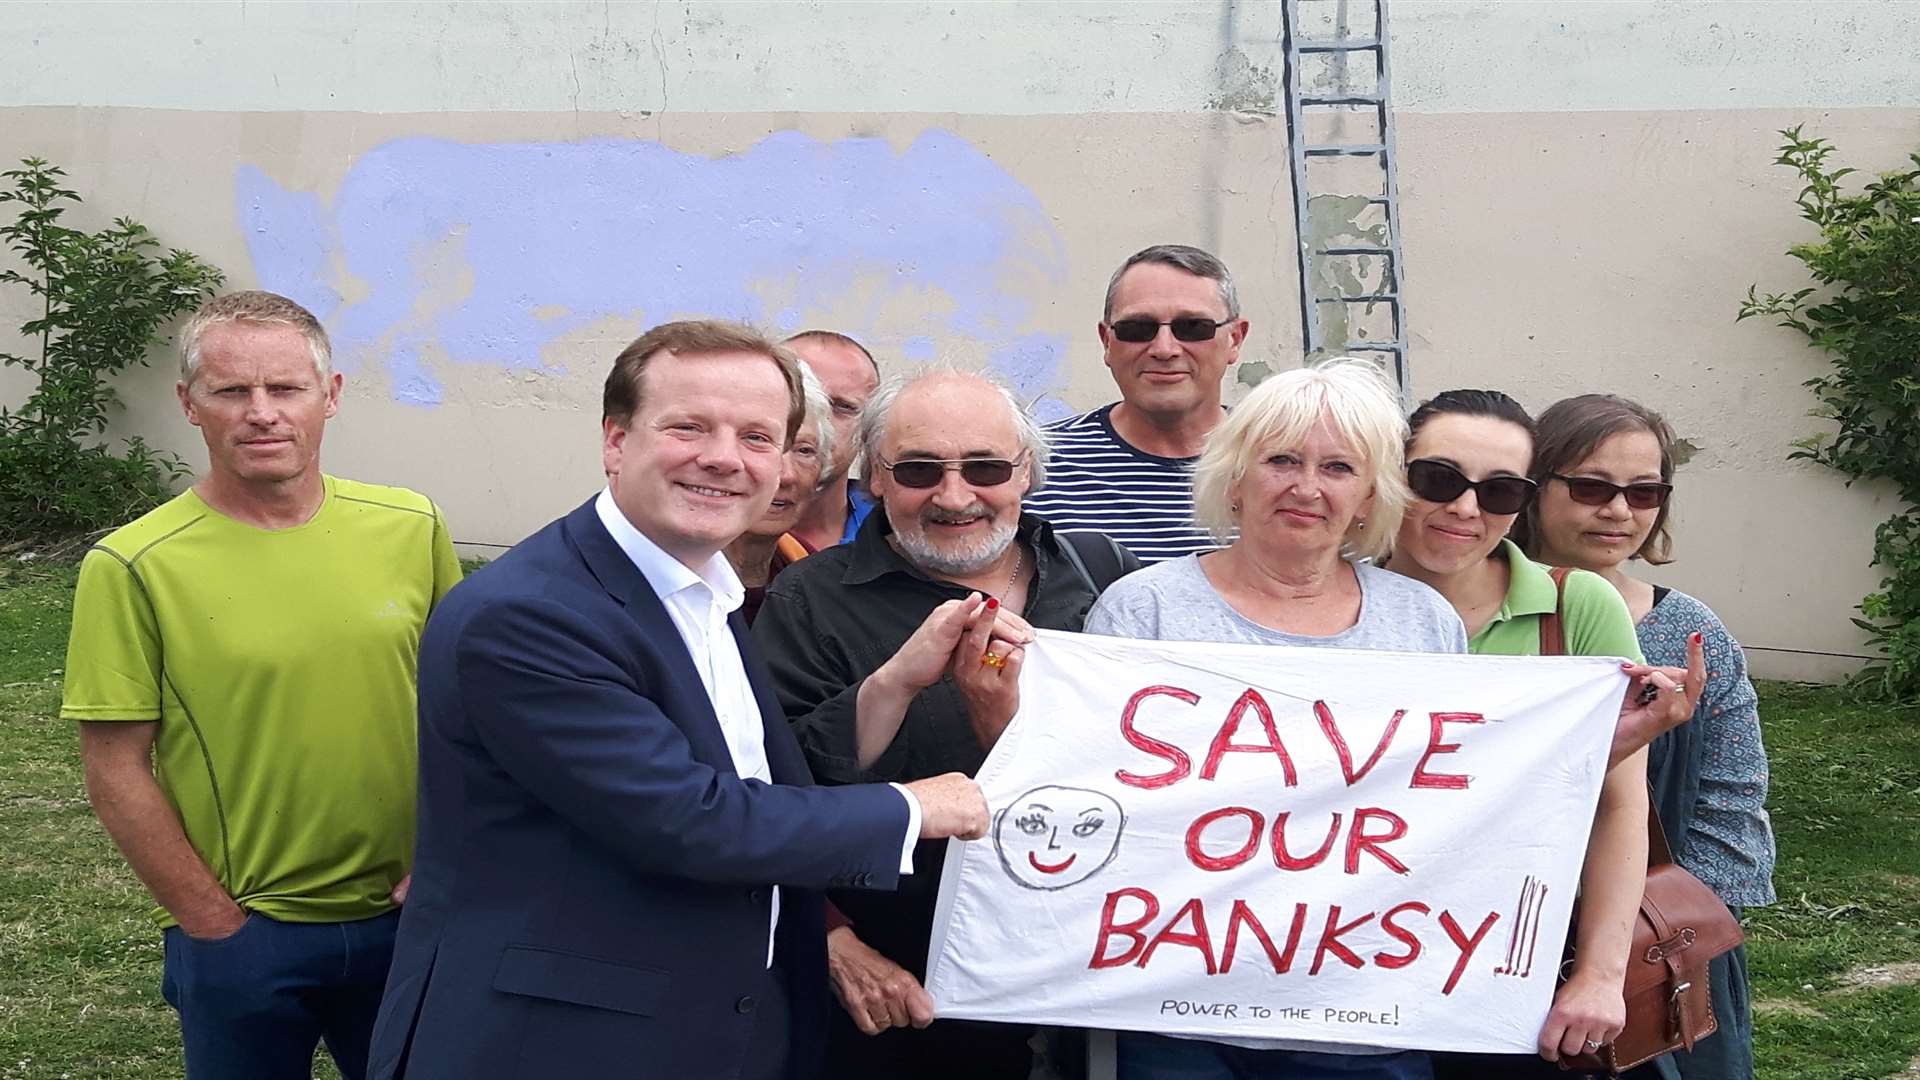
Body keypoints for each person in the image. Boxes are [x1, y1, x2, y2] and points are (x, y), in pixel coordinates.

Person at [366, 321, 989, 1080]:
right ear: (616, 440)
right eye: (689, 427)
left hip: (713, 1024)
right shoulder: (529, 615)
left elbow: (766, 778)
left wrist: (895, 680)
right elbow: (694, 821)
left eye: (758, 436)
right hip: (559, 1043)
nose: (725, 458)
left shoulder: (699, 590)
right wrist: (917, 807)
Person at [60, 290, 462, 1080]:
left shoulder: (410, 526)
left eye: (285, 389)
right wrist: (209, 920)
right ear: (190, 405)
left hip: (407, 914)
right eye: (231, 391)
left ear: (331, 396)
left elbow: (470, 709)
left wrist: (452, 859)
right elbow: (114, 766)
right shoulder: (133, 564)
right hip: (248, 934)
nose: (262, 413)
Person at [754, 368, 1142, 1080]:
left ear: (1027, 473)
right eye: (920, 470)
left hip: (1085, 978)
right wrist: (895, 684)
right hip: (900, 1001)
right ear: (874, 476)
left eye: (986, 468)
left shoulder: (1106, 579)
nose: (955, 496)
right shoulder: (810, 597)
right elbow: (775, 794)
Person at [1084, 357, 1461, 1080]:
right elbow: (1094, 788)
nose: (1306, 487)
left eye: (1339, 468)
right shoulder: (1143, 610)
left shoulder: (1424, 622)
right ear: (1235, 476)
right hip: (1176, 1003)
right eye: (1281, 460)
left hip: (1362, 1010)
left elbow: (1453, 799)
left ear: (1369, 497)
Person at [1381, 389, 1705, 1078]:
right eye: (1436, 479)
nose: (1466, 509)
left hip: (1523, 956)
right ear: (1392, 474)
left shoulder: (1574, 602)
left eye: (1498, 490)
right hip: (1365, 952)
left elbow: (1620, 804)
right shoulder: (1339, 597)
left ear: (1522, 501)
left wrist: (1599, 974)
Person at [1520, 394, 1776, 1080]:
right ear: (1535, 488)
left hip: (1656, 936)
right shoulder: (1479, 615)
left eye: (1644, 492)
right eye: (1592, 487)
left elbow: (1732, 795)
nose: (1619, 510)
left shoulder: (1690, 629)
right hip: (1504, 928)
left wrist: (1675, 921)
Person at [1025, 243, 1249, 562]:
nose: (1164, 348)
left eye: (1193, 327)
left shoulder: (1288, 464)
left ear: (1235, 340)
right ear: (1107, 342)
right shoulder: (1034, 466)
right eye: (1137, 328)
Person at [726, 363, 836, 622]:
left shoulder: (817, 578)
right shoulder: (666, 581)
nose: (786, 475)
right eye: (758, 441)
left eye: (804, 451)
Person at [785, 329, 882, 550]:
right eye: (803, 398)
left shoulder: (893, 530)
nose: (820, 423)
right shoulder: (715, 523)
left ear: (869, 428)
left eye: (842, 407)